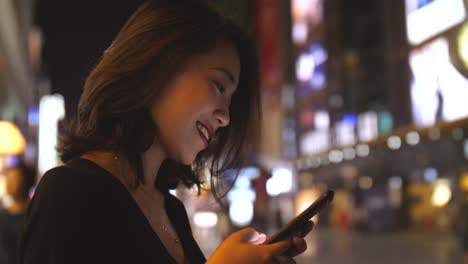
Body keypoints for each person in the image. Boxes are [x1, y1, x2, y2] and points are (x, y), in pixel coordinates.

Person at [19, 0, 313, 263]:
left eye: (231, 100)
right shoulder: (69, 194)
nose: (225, 117)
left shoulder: (171, 209)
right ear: (159, 64)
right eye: (219, 86)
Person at [0, 162, 35, 264]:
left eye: (14, 179)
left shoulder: (33, 214)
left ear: (25, 181)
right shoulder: (2, 215)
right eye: (8, 179)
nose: (9, 183)